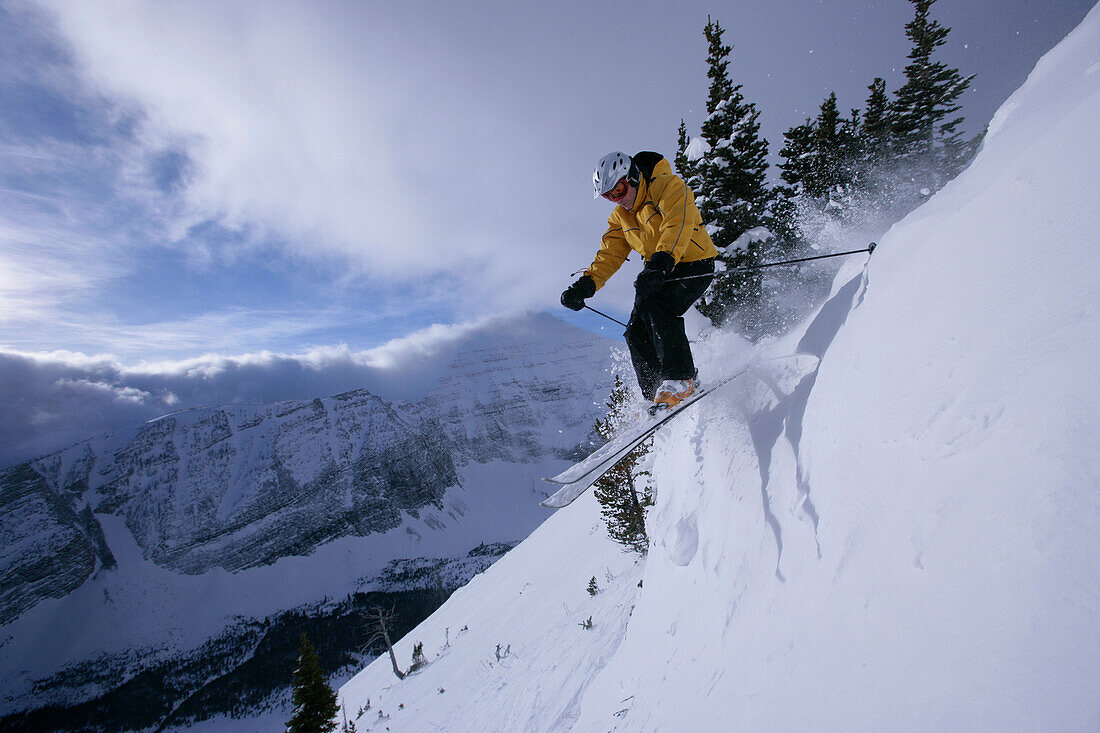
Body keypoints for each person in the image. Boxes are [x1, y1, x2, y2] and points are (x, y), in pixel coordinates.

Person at [561, 151, 718, 410]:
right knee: (635, 331)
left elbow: (677, 224)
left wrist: (661, 262)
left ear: (632, 177)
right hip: (659, 271)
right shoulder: (620, 218)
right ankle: (656, 393)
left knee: (658, 308)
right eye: (608, 196)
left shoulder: (667, 187)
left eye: (619, 190)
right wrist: (585, 285)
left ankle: (681, 379)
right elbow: (610, 253)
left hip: (693, 263)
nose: (616, 199)